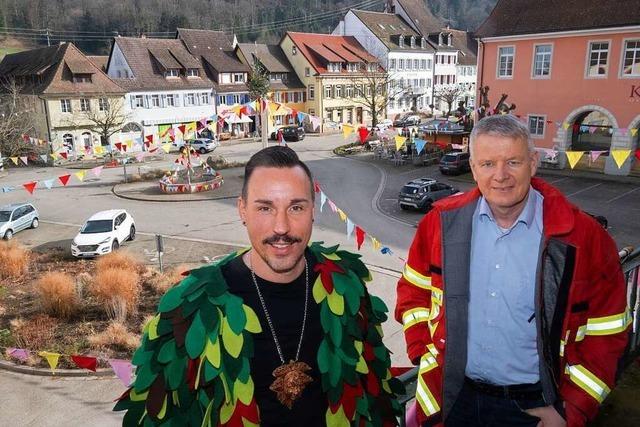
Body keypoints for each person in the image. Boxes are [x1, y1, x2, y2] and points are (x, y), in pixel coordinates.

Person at [115, 146, 402, 426]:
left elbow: (375, 400)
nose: (281, 227)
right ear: (242, 209)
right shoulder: (192, 306)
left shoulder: (346, 287)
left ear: (313, 209)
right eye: (265, 208)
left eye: (296, 207)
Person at [395, 114, 629, 427]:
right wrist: (425, 352)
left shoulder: (583, 238)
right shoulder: (440, 223)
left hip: (534, 407)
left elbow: (608, 332)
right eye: (488, 163)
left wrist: (570, 409)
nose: (500, 176)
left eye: (513, 162)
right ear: (474, 167)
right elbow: (413, 292)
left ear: (533, 162)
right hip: (452, 400)